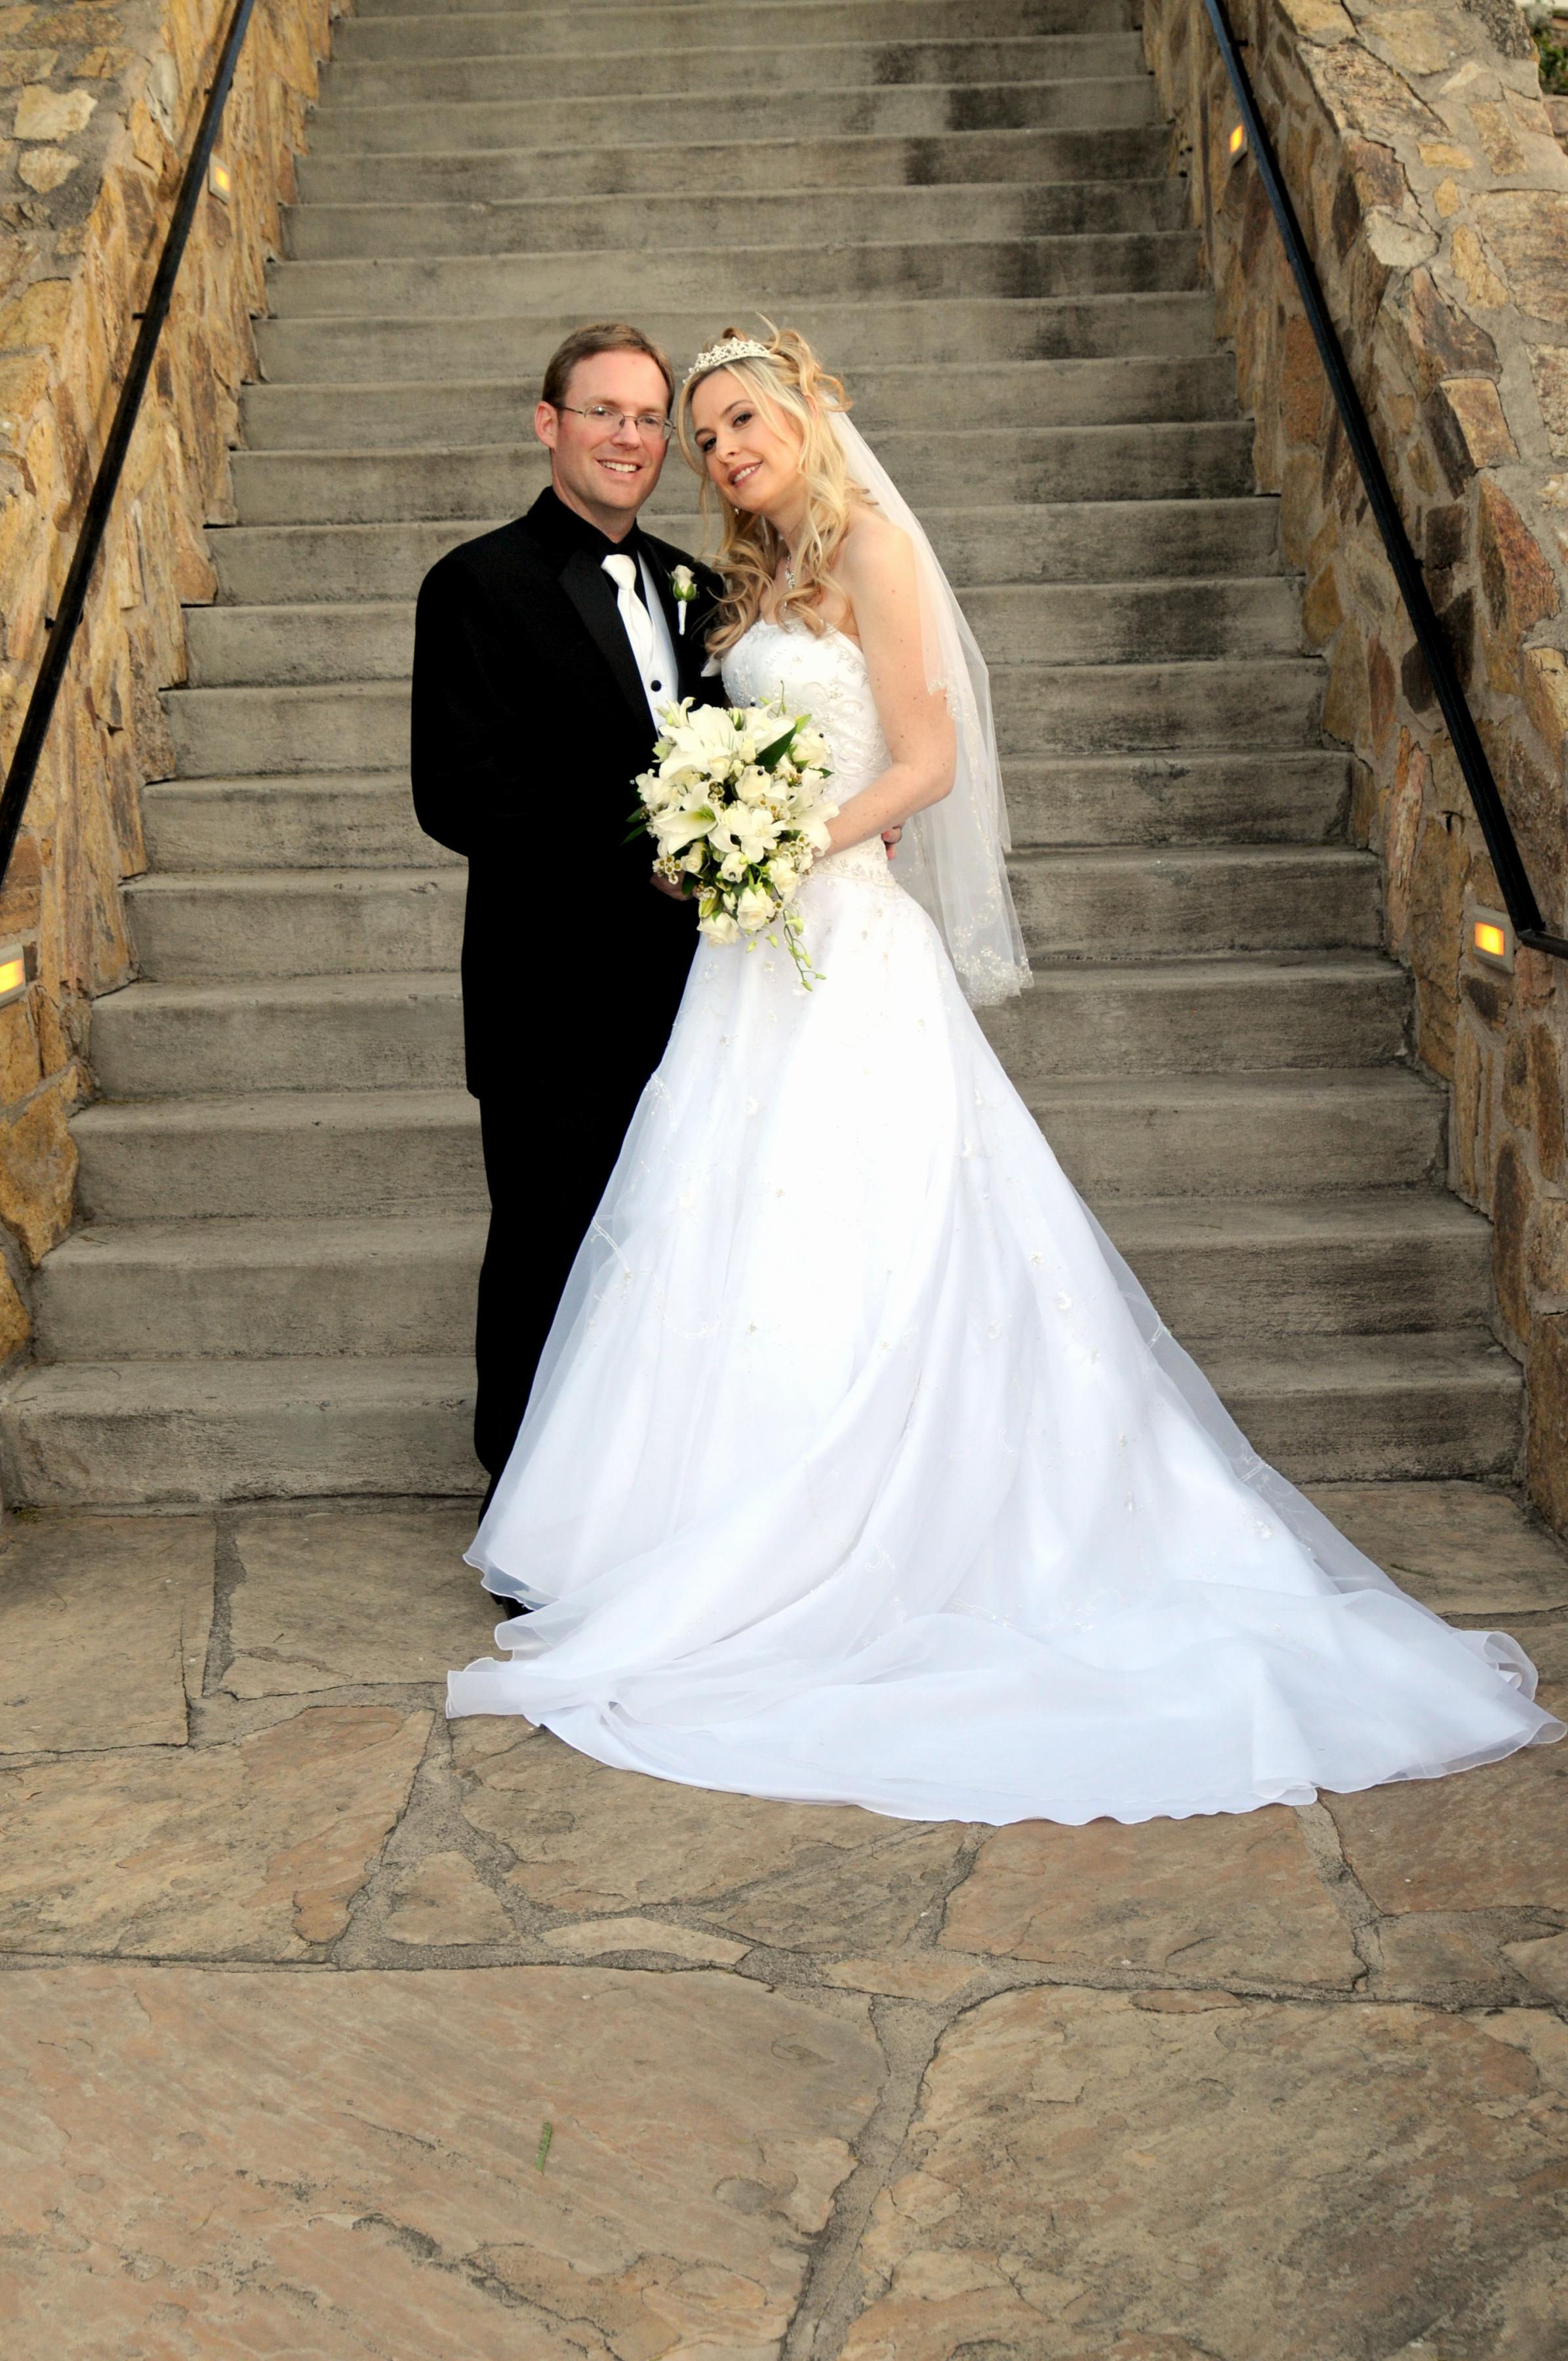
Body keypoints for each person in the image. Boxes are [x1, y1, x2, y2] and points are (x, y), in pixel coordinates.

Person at [446, 328, 1562, 1825]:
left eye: (732, 421)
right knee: (714, 1225)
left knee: (875, 1228)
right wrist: (734, 836)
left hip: (837, 935)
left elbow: (926, 761)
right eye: (696, 434)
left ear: (805, 412)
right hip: (739, 960)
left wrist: (791, 839)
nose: (716, 451)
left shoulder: (870, 552)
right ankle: (678, 1527)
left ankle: (888, 1531)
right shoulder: (735, 584)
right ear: (563, 426)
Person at [411, 323, 723, 1503]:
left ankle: (642, 1492)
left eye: (649, 420)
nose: (629, 439)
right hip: (548, 992)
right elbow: (457, 792)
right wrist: (639, 851)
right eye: (605, 413)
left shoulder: (700, 586)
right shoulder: (477, 584)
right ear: (550, 424)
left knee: (671, 1247)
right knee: (547, 1245)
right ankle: (526, 1501)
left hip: (700, 991)